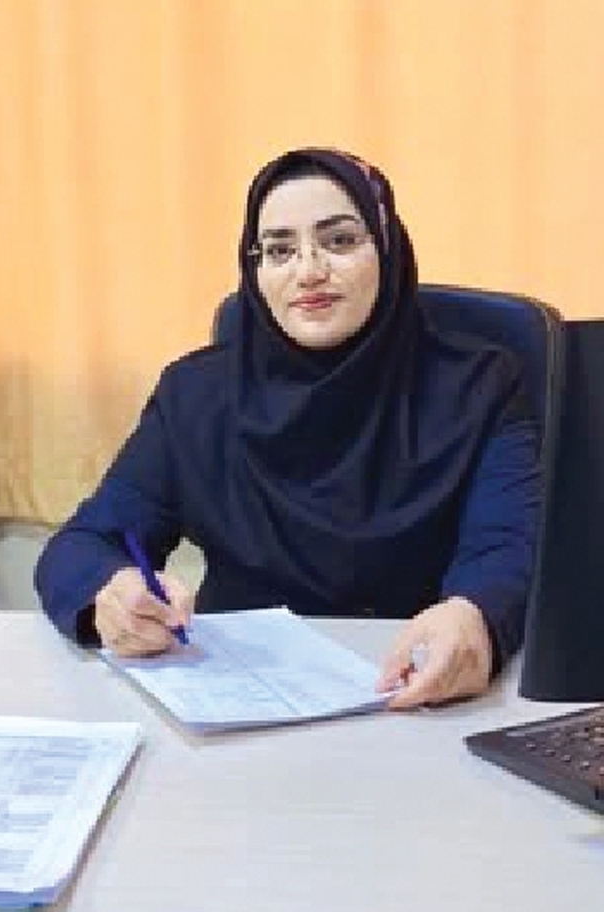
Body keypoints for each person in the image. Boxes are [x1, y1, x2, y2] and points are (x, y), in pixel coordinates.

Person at [35, 147, 542, 708]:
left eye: (339, 240)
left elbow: (508, 546)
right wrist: (110, 591)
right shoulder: (196, 396)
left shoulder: (482, 386)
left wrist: (474, 614)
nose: (309, 271)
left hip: (417, 692)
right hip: (239, 703)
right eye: (279, 250)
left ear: (387, 249)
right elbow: (85, 543)